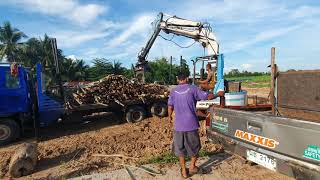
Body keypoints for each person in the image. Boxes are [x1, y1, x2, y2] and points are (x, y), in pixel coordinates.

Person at [167, 72, 210, 178]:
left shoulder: (173, 91)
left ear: (178, 79)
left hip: (178, 126)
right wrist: (219, 94)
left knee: (180, 149)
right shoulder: (193, 88)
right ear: (186, 79)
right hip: (191, 125)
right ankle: (192, 166)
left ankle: (184, 171)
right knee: (195, 148)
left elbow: (170, 106)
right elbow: (206, 96)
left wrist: (169, 118)